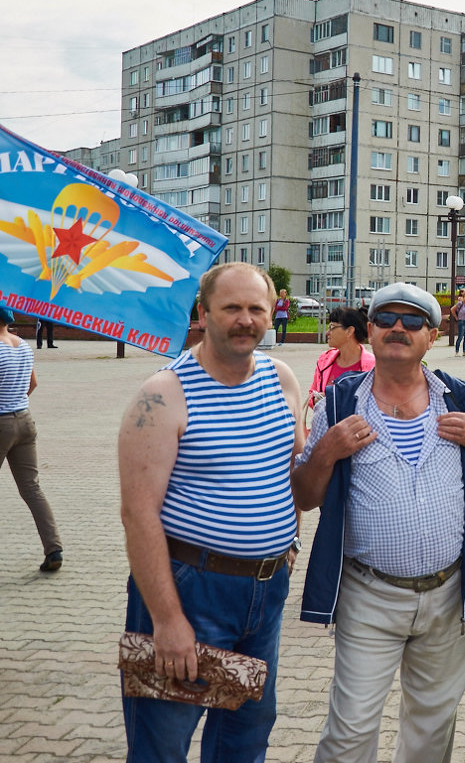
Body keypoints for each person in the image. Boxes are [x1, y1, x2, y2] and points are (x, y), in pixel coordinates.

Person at [293, 282, 465, 763]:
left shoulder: (461, 399)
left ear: (434, 336)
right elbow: (305, 494)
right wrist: (327, 450)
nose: (398, 328)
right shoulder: (339, 403)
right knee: (350, 731)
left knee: (431, 729)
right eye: (386, 319)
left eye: (413, 321)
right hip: (369, 594)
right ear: (371, 331)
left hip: (450, 595)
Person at [117, 262, 304, 762]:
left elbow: (289, 476)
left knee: (245, 734)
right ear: (202, 314)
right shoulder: (163, 395)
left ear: (271, 314)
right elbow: (138, 515)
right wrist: (168, 619)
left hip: (265, 591)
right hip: (191, 588)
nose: (245, 320)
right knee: (164, 737)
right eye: (231, 308)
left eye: (256, 309)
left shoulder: (280, 377)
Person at [0, 307, 62, 573]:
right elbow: (32, 383)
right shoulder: (22, 345)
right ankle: (54, 549)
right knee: (32, 489)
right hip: (24, 420)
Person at [308, 307, 376, 408]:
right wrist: (315, 400)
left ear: (349, 331)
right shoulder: (324, 361)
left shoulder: (373, 366)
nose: (327, 333)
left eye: (332, 327)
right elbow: (312, 394)